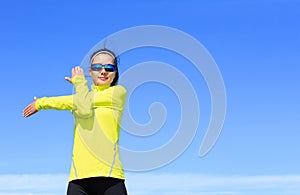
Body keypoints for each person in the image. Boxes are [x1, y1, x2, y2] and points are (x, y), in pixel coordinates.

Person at [23, 49, 128, 195]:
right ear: (90, 72)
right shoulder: (81, 97)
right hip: (79, 179)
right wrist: (42, 102)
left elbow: (83, 108)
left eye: (109, 68)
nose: (103, 71)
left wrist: (78, 84)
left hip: (111, 178)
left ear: (115, 73)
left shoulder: (118, 93)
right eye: (97, 67)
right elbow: (80, 104)